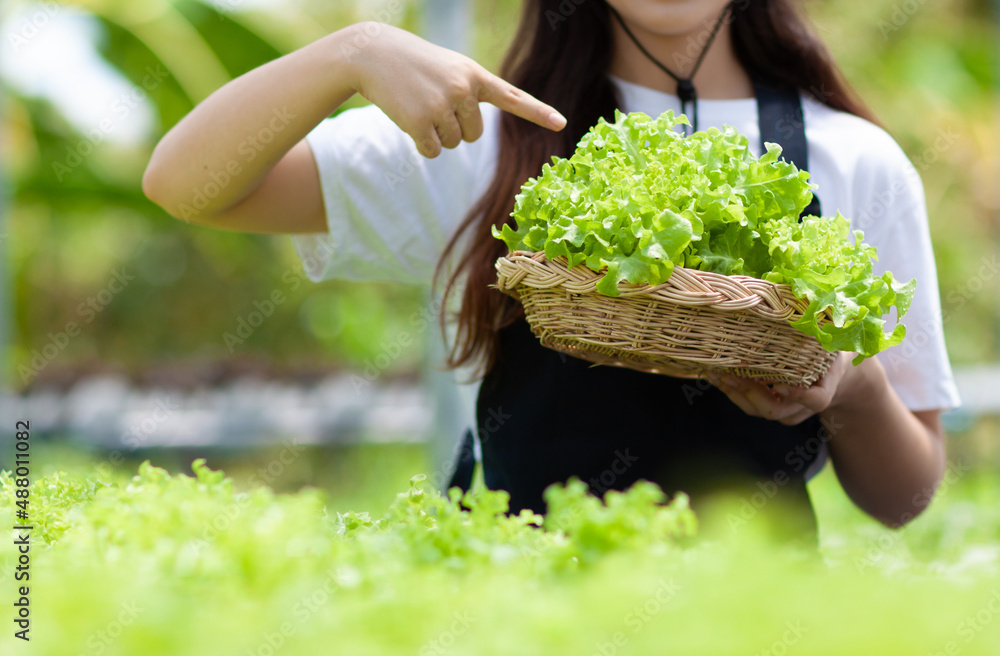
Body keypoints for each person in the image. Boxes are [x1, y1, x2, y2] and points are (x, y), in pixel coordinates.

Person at [143, 0, 960, 535]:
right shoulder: (481, 139)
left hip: (749, 615)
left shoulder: (857, 160)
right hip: (510, 611)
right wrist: (350, 54)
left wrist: (856, 386)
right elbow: (186, 185)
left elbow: (907, 497)